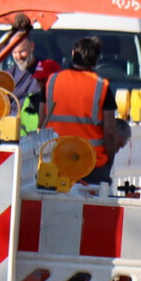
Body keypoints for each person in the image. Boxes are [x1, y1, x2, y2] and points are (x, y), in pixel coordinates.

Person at [40, 37, 120, 184]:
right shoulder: (101, 87)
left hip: (55, 160)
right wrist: (110, 161)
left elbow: (41, 121)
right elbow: (110, 132)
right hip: (90, 165)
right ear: (96, 59)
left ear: (72, 54)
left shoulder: (52, 81)